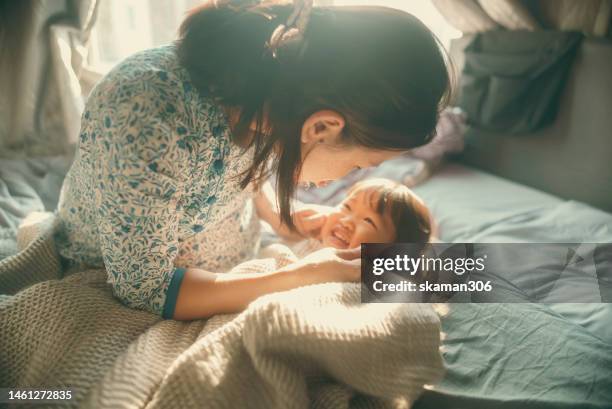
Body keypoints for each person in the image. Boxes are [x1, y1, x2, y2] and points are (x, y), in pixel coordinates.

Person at [54, 0, 451, 320]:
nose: (352, 177)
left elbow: (225, 173)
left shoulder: (269, 96)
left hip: (236, 260)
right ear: (322, 128)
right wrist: (304, 275)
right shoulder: (146, 116)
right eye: (359, 165)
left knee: (448, 275)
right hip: (164, 291)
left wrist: (281, 216)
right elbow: (145, 287)